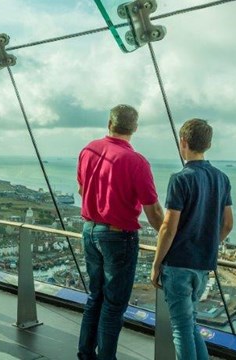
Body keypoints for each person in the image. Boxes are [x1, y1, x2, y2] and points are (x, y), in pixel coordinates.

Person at [76, 105, 164, 359]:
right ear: (135, 128)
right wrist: (169, 238)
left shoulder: (88, 150)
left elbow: (82, 191)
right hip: (117, 235)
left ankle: (85, 354)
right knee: (114, 305)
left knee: (95, 296)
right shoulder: (135, 161)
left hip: (89, 230)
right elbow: (154, 210)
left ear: (109, 123)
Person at [149, 119, 234, 360]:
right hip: (203, 264)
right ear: (208, 145)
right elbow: (227, 224)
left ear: (183, 142)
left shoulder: (180, 178)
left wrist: (156, 265)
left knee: (181, 328)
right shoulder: (222, 178)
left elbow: (168, 227)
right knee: (190, 323)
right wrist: (207, 244)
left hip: (178, 264)